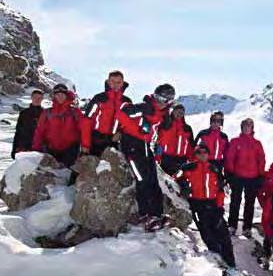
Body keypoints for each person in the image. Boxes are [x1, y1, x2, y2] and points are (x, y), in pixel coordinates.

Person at [115, 84, 174, 230]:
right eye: (158, 97)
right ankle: (145, 215)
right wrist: (134, 131)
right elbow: (121, 114)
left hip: (146, 146)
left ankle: (157, 214)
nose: (160, 101)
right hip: (132, 143)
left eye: (165, 99)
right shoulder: (144, 107)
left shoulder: (162, 114)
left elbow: (163, 130)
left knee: (153, 179)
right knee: (142, 178)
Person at [177, 143, 235, 267]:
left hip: (213, 204)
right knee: (207, 233)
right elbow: (177, 178)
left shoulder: (214, 169)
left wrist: (219, 207)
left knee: (223, 233)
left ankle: (231, 264)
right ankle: (218, 261)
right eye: (199, 152)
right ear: (196, 154)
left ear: (208, 154)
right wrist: (183, 185)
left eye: (205, 152)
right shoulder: (189, 168)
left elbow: (220, 190)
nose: (202, 155)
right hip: (197, 204)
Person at [225, 118, 266, 237]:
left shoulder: (257, 143)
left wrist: (260, 175)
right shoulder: (235, 141)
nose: (247, 128)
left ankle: (247, 227)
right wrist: (230, 173)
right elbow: (230, 158)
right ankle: (232, 225)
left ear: (252, 128)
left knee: (250, 203)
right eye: (245, 126)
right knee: (235, 202)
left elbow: (261, 160)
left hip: (252, 177)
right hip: (238, 176)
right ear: (241, 128)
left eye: (249, 126)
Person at [32, 83, 87, 167]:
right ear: (54, 96)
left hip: (70, 150)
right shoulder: (47, 113)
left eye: (62, 94)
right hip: (50, 150)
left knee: (67, 175)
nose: (60, 96)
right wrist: (36, 149)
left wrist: (85, 146)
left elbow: (84, 129)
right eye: (57, 94)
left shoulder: (74, 112)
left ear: (66, 95)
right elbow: (39, 132)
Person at [83, 70, 132, 156]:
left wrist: (120, 132)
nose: (115, 85)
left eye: (118, 82)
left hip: (116, 143)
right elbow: (87, 121)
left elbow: (129, 122)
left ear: (122, 83)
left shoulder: (127, 102)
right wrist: (85, 144)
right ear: (108, 82)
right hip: (96, 142)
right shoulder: (99, 98)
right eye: (113, 81)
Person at [156, 104, 194, 176]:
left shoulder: (187, 128)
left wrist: (192, 160)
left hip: (181, 160)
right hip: (166, 159)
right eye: (177, 112)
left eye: (181, 112)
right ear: (173, 112)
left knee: (180, 183)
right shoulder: (165, 125)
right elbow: (159, 143)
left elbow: (190, 147)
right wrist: (158, 156)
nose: (179, 114)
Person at [12, 89, 43, 159]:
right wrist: (14, 149)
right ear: (31, 97)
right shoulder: (24, 113)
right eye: (35, 97)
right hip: (23, 148)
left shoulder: (45, 114)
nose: (37, 100)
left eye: (39, 98)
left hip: (39, 149)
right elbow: (18, 132)